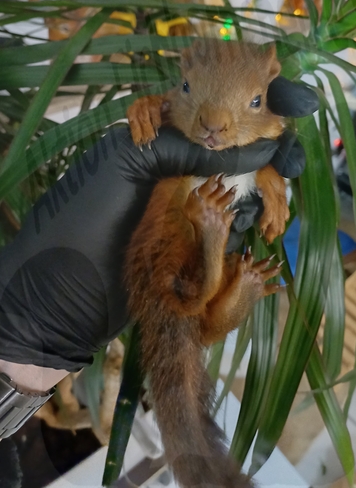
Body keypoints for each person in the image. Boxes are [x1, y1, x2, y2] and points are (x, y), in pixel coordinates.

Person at [0, 77, 318, 440]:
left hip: (193, 234)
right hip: (182, 229)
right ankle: (221, 261)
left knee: (194, 306)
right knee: (190, 301)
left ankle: (222, 263)